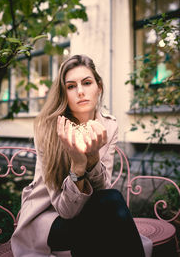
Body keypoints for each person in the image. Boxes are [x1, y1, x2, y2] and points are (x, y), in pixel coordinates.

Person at [11, 54, 152, 257]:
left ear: (99, 87)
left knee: (110, 200)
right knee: (110, 219)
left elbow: (102, 191)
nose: (80, 92)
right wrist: (78, 167)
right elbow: (65, 210)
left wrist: (93, 159)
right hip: (48, 220)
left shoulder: (108, 126)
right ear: (63, 93)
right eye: (70, 86)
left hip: (91, 214)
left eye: (87, 83)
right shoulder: (49, 128)